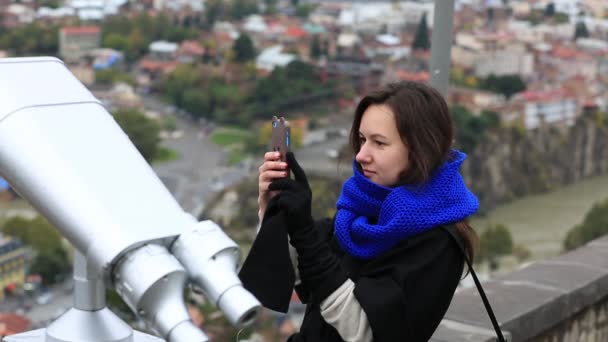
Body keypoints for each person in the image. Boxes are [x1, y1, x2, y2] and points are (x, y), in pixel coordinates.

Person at [241, 81, 480, 342]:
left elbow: (364, 330)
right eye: (362, 140)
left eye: (379, 143)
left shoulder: (438, 242)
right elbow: (305, 268)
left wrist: (303, 230)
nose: (361, 155)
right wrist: (275, 207)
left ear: (420, 149)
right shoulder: (362, 214)